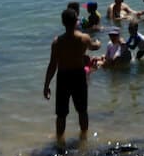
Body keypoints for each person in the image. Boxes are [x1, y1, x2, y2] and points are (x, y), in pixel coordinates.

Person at [43, 9, 101, 144]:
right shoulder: (83, 38)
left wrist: (46, 85)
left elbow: (52, 65)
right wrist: (98, 42)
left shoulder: (57, 42)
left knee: (61, 114)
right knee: (82, 111)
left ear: (63, 22)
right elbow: (93, 47)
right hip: (78, 76)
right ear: (76, 21)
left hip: (63, 77)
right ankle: (84, 139)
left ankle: (60, 141)